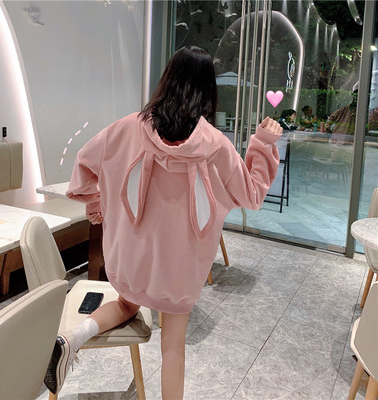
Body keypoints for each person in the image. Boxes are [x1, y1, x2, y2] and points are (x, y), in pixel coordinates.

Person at [44, 46, 282, 399]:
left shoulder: (129, 127)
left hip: (132, 258)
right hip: (180, 269)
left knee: (127, 304)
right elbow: (251, 195)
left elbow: (84, 164)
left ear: (167, 79)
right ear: (208, 89)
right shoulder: (215, 146)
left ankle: (72, 339)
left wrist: (98, 204)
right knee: (173, 346)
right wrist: (263, 143)